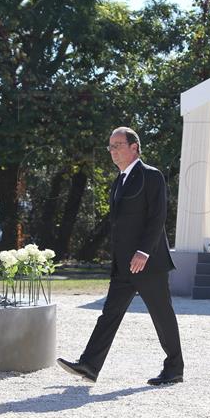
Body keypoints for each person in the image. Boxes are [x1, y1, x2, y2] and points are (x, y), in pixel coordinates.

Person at [57, 127, 184, 385]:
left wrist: (144, 251)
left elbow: (157, 217)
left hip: (148, 263)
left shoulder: (151, 176)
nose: (112, 151)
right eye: (110, 147)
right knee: (109, 314)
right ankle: (90, 365)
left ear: (134, 147)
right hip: (124, 265)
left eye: (117, 145)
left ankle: (175, 369)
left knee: (162, 316)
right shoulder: (119, 180)